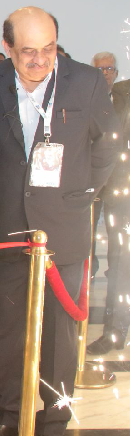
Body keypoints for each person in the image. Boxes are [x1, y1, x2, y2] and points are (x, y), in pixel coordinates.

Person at [0, 7, 118, 436]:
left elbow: (107, 146)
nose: (39, 60)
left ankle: (54, 420)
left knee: (59, 336)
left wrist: (82, 193)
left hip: (63, 227)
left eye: (48, 49)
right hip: (7, 225)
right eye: (28, 51)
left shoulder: (86, 81)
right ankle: (9, 415)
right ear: (7, 47)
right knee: (6, 330)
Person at [87, 52, 130, 355]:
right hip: (87, 190)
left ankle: (115, 331)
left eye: (109, 69)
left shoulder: (124, 97)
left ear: (116, 72)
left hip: (119, 191)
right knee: (85, 262)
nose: (104, 73)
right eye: (99, 69)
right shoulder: (83, 97)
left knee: (120, 262)